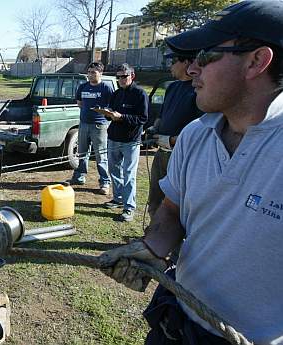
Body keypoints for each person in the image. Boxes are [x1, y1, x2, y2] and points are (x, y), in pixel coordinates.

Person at [99, 1, 283, 344]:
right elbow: (172, 210)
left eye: (207, 55)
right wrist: (154, 246)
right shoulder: (195, 135)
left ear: (257, 61)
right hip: (175, 323)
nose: (193, 68)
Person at [147, 52, 202, 217]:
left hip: (181, 156)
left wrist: (170, 140)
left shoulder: (197, 90)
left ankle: (173, 241)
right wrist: (154, 128)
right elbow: (162, 115)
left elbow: (200, 131)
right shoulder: (172, 87)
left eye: (173, 61)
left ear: (187, 62)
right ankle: (152, 237)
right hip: (161, 153)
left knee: (176, 204)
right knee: (155, 198)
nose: (170, 66)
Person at [104, 64, 148, 222]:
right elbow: (110, 114)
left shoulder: (140, 94)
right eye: (119, 77)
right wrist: (107, 114)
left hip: (131, 141)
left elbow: (143, 119)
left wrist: (121, 117)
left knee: (129, 175)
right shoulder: (116, 94)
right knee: (114, 170)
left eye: (124, 76)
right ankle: (118, 198)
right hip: (114, 138)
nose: (121, 79)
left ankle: (129, 207)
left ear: (132, 76)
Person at [69, 61, 113, 195]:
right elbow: (80, 103)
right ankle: (79, 176)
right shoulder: (83, 87)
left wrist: (102, 111)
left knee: (101, 155)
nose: (90, 75)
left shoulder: (106, 88)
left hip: (100, 125)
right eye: (89, 72)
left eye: (93, 72)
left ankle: (105, 182)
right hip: (84, 124)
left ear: (101, 73)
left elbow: (112, 106)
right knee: (82, 152)